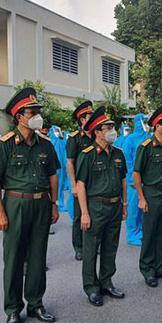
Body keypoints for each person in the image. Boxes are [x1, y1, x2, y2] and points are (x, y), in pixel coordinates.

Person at [0, 87, 60, 323]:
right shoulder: (5, 144)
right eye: (32, 112)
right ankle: (13, 309)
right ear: (19, 116)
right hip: (15, 204)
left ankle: (36, 304)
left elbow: (53, 175)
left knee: (38, 257)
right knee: (14, 258)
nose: (37, 116)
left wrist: (54, 204)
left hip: (41, 204)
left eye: (38, 111)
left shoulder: (45, 144)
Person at [75, 106, 128, 306]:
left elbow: (123, 180)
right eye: (108, 128)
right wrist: (84, 213)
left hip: (115, 206)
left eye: (112, 127)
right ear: (97, 132)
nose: (112, 131)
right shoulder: (87, 155)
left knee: (110, 246)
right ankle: (91, 287)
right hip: (95, 207)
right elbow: (81, 185)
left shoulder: (118, 153)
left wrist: (124, 204)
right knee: (91, 248)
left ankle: (106, 282)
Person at [133, 105, 162, 288]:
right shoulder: (145, 147)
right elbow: (136, 173)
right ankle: (148, 269)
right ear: (158, 126)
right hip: (152, 194)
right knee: (150, 232)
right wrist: (141, 198)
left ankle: (161, 266)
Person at [66, 100, 94, 261]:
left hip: (94, 183)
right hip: (80, 183)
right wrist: (73, 185)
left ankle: (91, 244)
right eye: (90, 116)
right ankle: (79, 247)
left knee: (93, 214)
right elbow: (70, 162)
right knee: (79, 216)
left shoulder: (96, 136)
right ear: (82, 119)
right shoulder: (75, 138)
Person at [123, 114, 151, 245]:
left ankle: (142, 231)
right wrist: (131, 180)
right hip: (134, 180)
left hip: (147, 180)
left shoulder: (149, 138)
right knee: (134, 208)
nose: (147, 124)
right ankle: (133, 234)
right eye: (144, 122)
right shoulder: (130, 139)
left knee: (144, 208)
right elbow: (127, 161)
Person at [49, 125, 69, 211]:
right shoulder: (50, 142)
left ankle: (59, 204)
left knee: (60, 186)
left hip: (61, 168)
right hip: (54, 168)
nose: (57, 133)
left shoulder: (61, 142)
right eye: (56, 131)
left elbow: (65, 155)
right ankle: (55, 204)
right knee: (55, 187)